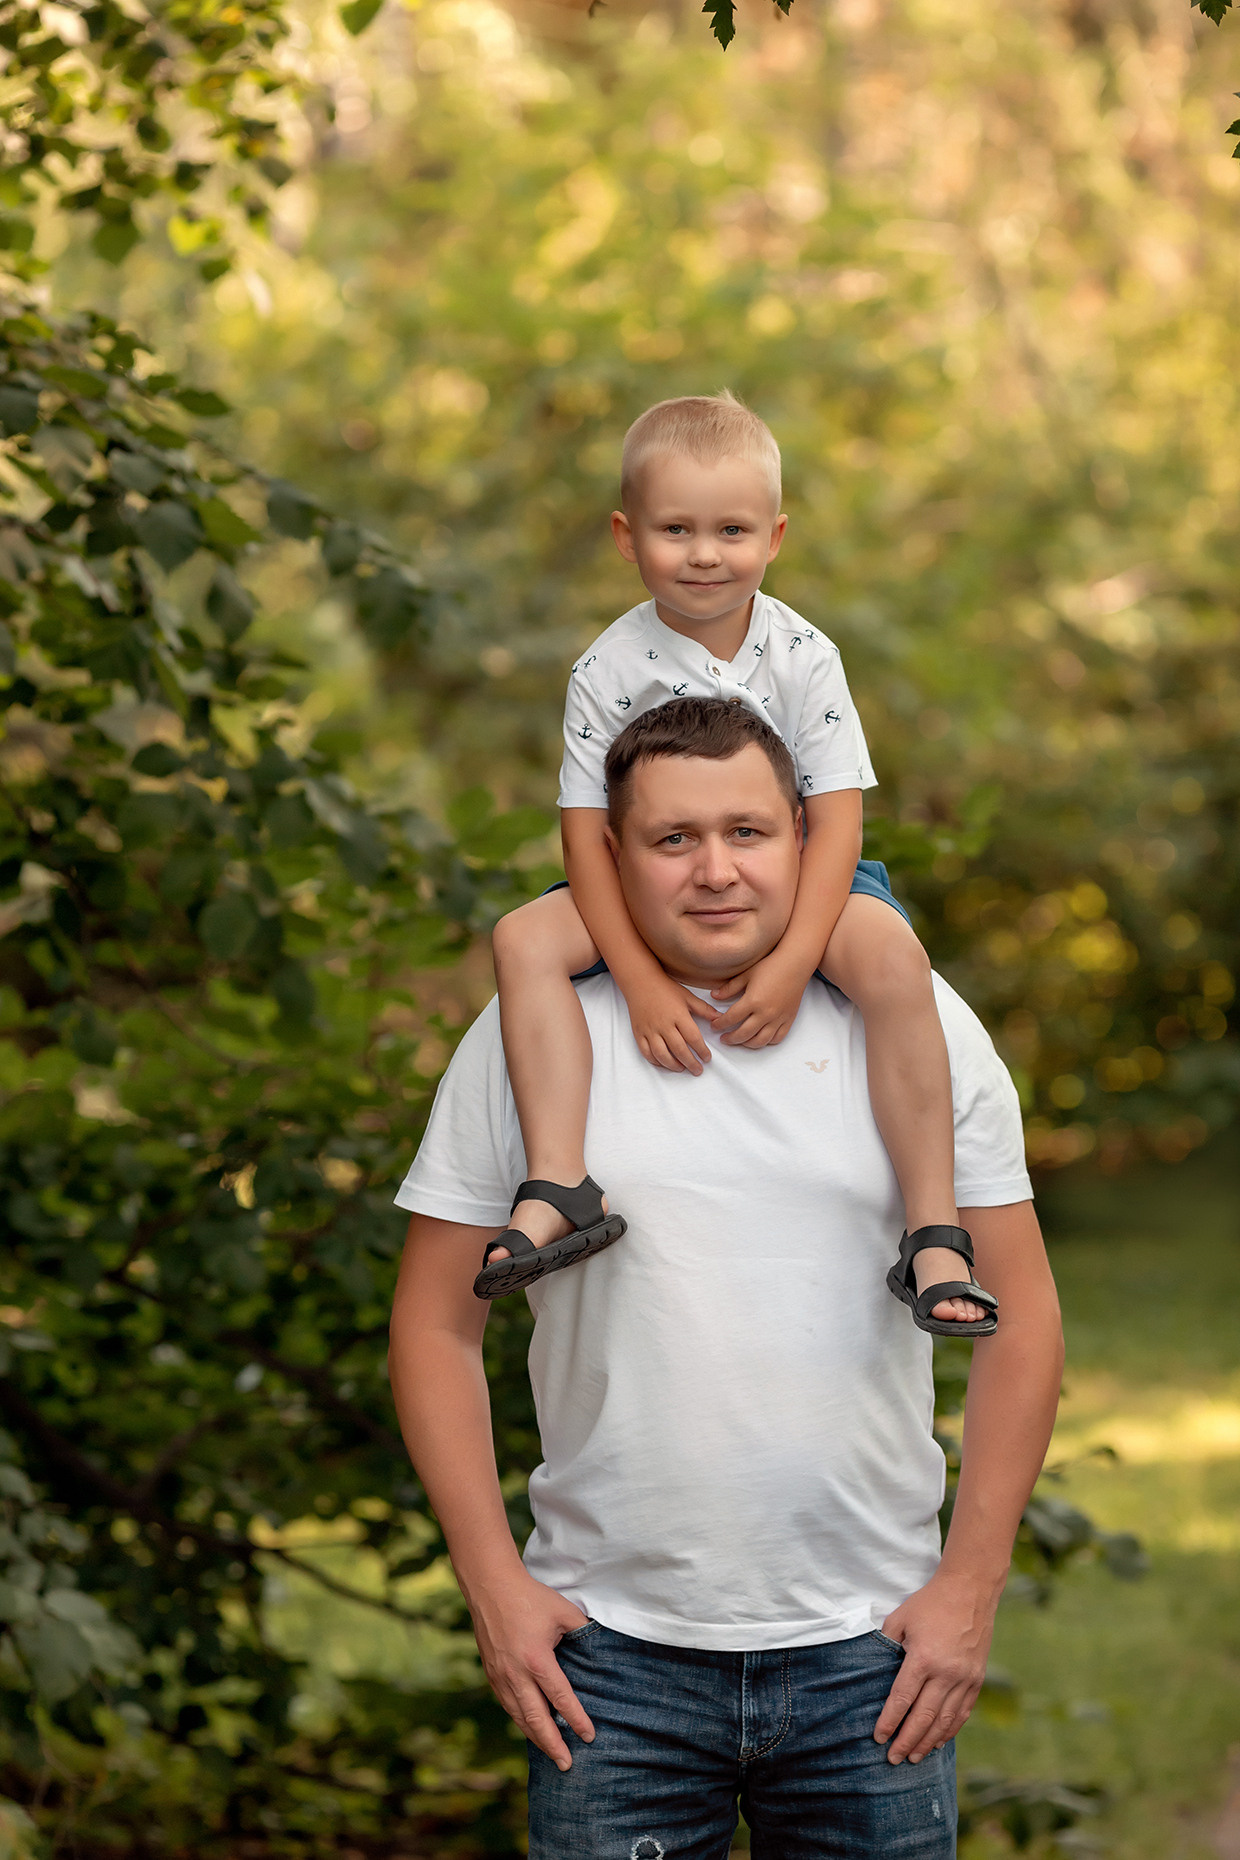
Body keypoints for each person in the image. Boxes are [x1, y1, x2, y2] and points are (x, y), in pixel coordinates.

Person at [388, 697, 1064, 1858]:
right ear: (608, 855)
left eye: (748, 833)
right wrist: (495, 1589)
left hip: (873, 1655)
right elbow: (431, 1330)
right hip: (608, 1661)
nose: (715, 872)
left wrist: (967, 1591)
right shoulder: (536, 1032)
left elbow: (1025, 1314)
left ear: (807, 838)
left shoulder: (915, 1021)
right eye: (671, 839)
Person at [483, 392, 995, 1335]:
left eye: (732, 529)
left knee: (893, 962)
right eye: (676, 529)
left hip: (801, 879)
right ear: (626, 536)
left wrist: (798, 957)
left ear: (776, 535)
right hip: (644, 884)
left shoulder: (804, 656)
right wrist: (635, 977)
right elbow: (588, 838)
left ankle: (932, 1225)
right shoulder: (607, 666)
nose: (705, 553)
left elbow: (836, 822)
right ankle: (559, 1181)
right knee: (521, 940)